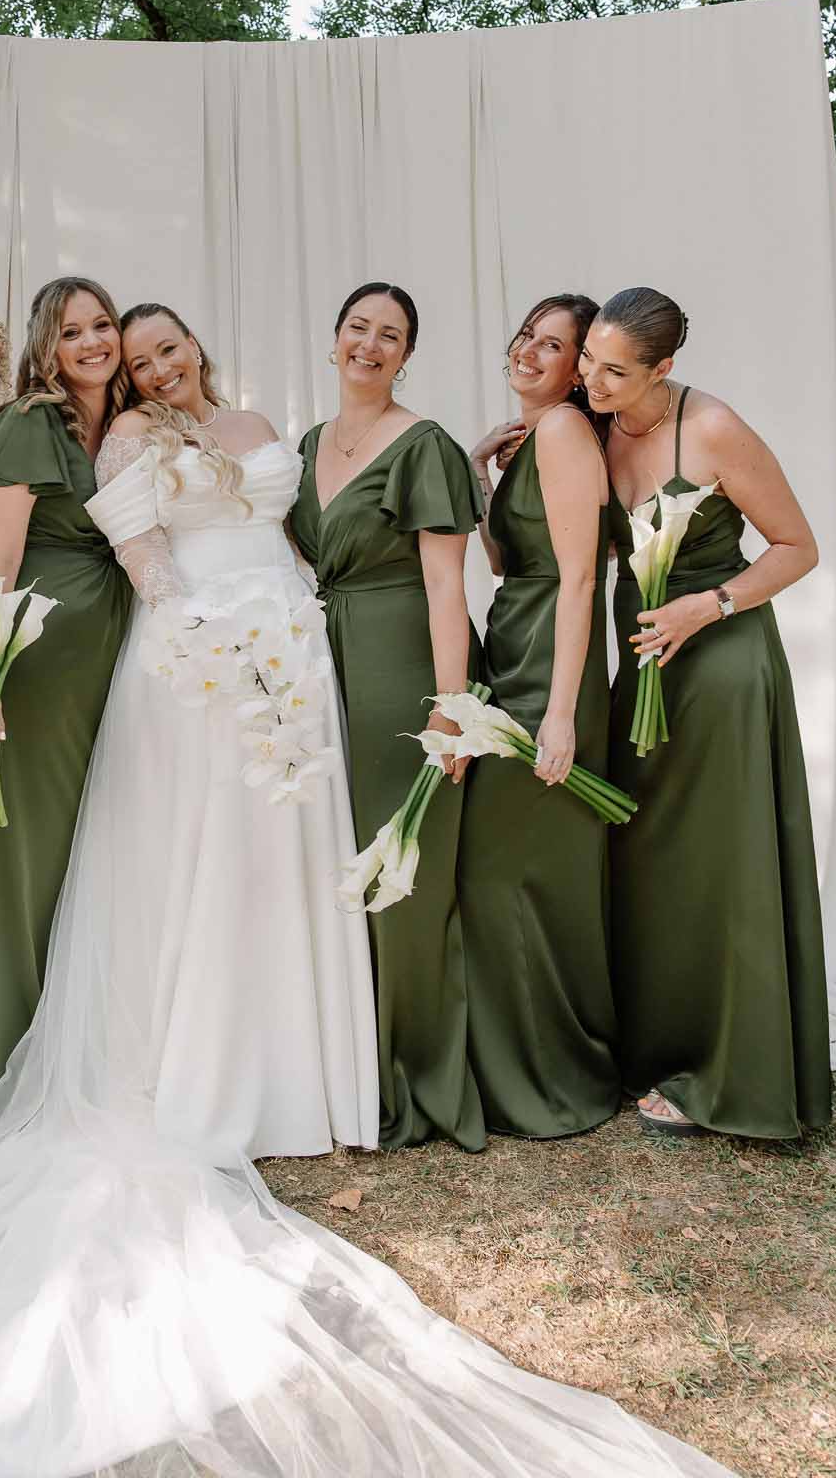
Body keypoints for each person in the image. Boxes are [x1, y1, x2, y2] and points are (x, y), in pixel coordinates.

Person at [0, 300, 736, 1478]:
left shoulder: (278, 434)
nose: (149, 367)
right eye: (129, 353)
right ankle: (182, 1056)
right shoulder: (126, 443)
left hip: (296, 653)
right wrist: (208, 634)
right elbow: (142, 552)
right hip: (198, 653)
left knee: (282, 871)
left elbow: (328, 536)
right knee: (184, 858)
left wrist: (327, 601)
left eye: (162, 346)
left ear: (195, 347)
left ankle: (291, 1060)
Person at [583, 286, 831, 1138]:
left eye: (615, 371)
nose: (594, 380)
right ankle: (657, 1050)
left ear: (665, 369)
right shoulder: (594, 424)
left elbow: (798, 546)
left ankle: (732, 1072)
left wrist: (709, 605)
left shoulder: (714, 427)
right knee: (650, 866)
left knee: (722, 872)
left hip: (723, 668)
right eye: (588, 361)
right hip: (643, 673)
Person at [290, 282, 485, 1150]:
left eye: (391, 335)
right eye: (359, 328)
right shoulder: (305, 445)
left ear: (407, 354)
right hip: (326, 662)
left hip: (404, 663)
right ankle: (349, 1063)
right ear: (333, 340)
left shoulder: (426, 446)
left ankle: (417, 1074)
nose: (371, 345)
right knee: (342, 857)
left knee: (404, 866)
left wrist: (451, 711)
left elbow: (449, 586)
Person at [0, 276, 133, 1124]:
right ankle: (10, 1055)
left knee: (95, 855)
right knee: (34, 856)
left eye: (102, 325)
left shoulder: (126, 423)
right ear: (44, 348)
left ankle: (85, 1041)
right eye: (71, 332)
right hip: (38, 666)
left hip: (112, 666)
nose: (92, 342)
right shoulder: (27, 425)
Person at [460, 294, 620, 1136]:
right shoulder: (531, 439)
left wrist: (559, 715)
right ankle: (514, 1060)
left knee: (510, 869)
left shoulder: (562, 432)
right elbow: (504, 557)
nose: (529, 350)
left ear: (578, 370)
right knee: (509, 871)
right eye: (526, 334)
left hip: (551, 667)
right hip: (514, 642)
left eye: (552, 345)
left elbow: (581, 579)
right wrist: (484, 472)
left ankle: (549, 1072)